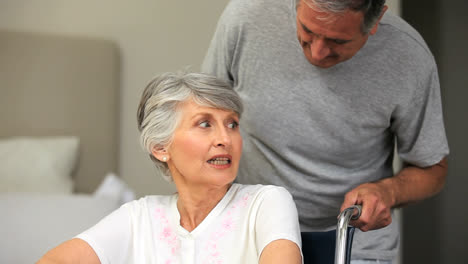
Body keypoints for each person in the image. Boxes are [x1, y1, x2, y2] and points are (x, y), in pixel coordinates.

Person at [202, 0, 449, 262]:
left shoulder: (409, 56)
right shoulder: (247, 15)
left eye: (338, 41)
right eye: (307, 30)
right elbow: (203, 115)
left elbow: (431, 169)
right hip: (249, 229)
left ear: (375, 21)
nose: (318, 53)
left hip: (352, 237)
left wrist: (387, 192)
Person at [37, 72, 302, 264]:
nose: (225, 138)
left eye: (232, 124)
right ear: (161, 148)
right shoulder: (139, 217)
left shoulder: (266, 203)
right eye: (205, 124)